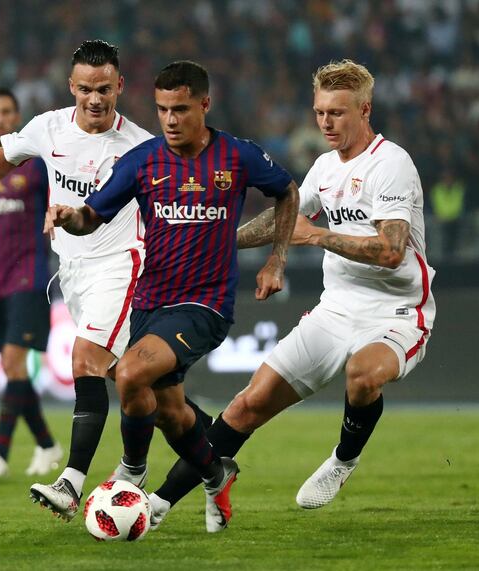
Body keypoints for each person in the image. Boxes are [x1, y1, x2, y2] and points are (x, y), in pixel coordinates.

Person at [147, 59, 436, 528]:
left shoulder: (391, 164)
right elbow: (285, 220)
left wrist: (316, 237)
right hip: (336, 309)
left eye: (337, 113)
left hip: (397, 310)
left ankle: (343, 460)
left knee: (363, 374)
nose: (325, 122)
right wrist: (219, 236)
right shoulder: (324, 166)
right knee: (246, 404)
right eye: (320, 112)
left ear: (365, 110)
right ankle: (157, 505)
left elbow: (390, 250)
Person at [44, 60, 299, 532]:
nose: (170, 120)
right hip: (151, 301)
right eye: (162, 110)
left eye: (180, 109)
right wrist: (67, 216)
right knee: (171, 413)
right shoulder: (142, 161)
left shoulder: (237, 157)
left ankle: (131, 474)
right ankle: (214, 472)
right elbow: (91, 216)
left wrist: (276, 259)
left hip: (206, 303)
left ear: (204, 104)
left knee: (130, 373)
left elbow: (287, 192)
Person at [0, 40, 156, 521]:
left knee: (84, 358)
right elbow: (8, 153)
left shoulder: (142, 146)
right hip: (74, 272)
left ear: (120, 86)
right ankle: (202, 451)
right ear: (72, 87)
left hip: (122, 263)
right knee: (130, 378)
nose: (94, 98)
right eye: (85, 88)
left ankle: (72, 481)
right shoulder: (47, 128)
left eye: (104, 88)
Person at [0, 88, 63, 479]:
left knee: (13, 361)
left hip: (29, 276)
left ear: (16, 117)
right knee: (13, 368)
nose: (0, 118)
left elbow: (58, 204)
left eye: (6, 112)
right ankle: (48, 444)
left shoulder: (36, 167)